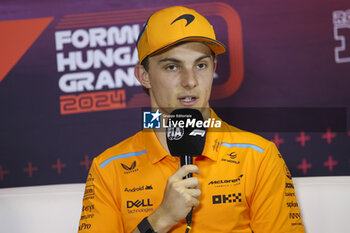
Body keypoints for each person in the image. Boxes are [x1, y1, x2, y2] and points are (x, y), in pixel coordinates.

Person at [78, 6, 305, 233]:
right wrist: (160, 219)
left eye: (201, 65)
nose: (190, 81)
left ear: (213, 69)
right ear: (144, 76)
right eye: (172, 66)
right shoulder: (109, 169)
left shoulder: (259, 157)